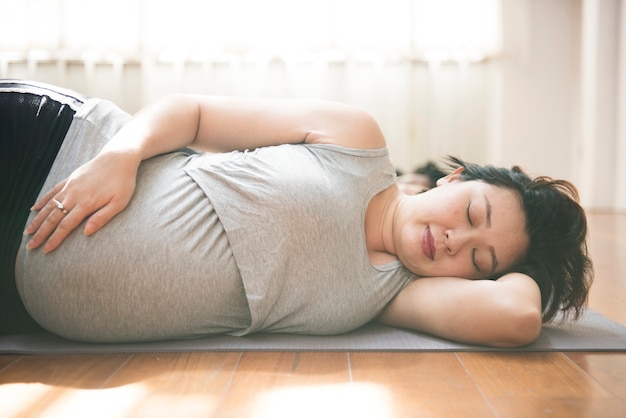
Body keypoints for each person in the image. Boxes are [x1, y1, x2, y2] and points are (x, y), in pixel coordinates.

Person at [1, 80, 593, 347]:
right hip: (54, 151)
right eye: (470, 211)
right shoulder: (356, 141)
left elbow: (517, 317)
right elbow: (194, 112)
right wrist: (122, 155)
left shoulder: (390, 295)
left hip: (18, 292)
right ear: (453, 177)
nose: (453, 240)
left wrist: (535, 257)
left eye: (479, 258)